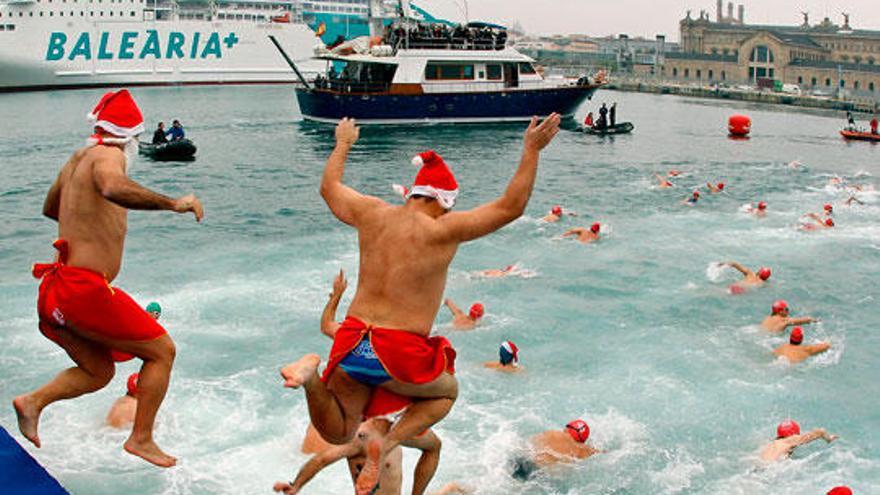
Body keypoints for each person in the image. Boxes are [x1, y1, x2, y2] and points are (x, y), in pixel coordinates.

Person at [281, 114, 561, 494]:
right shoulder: (443, 229)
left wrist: (343, 142)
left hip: (351, 340)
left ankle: (311, 374)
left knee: (340, 431)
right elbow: (511, 206)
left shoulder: (372, 213)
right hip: (396, 350)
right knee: (448, 391)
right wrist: (531, 150)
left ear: (413, 193)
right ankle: (390, 441)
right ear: (442, 203)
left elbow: (329, 188)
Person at [14, 90, 203, 468]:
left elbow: (50, 207)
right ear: (130, 138)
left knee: (99, 372)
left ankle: (32, 402)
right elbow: (112, 187)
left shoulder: (76, 160)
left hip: (55, 289)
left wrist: (85, 222)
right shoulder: (109, 156)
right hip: (82, 289)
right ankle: (142, 438)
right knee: (163, 351)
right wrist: (172, 204)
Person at [276, 391, 442, 495]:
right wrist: (296, 486)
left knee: (451, 487)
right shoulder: (362, 436)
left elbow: (433, 448)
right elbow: (321, 460)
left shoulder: (403, 431)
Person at [510, 420, 599, 481]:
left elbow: (527, 444)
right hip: (539, 473)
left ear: (567, 429)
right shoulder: (583, 450)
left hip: (524, 462)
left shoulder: (553, 433)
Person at [759, 420, 837, 463]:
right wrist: (829, 439)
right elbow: (820, 432)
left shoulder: (771, 444)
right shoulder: (790, 440)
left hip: (758, 467)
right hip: (770, 468)